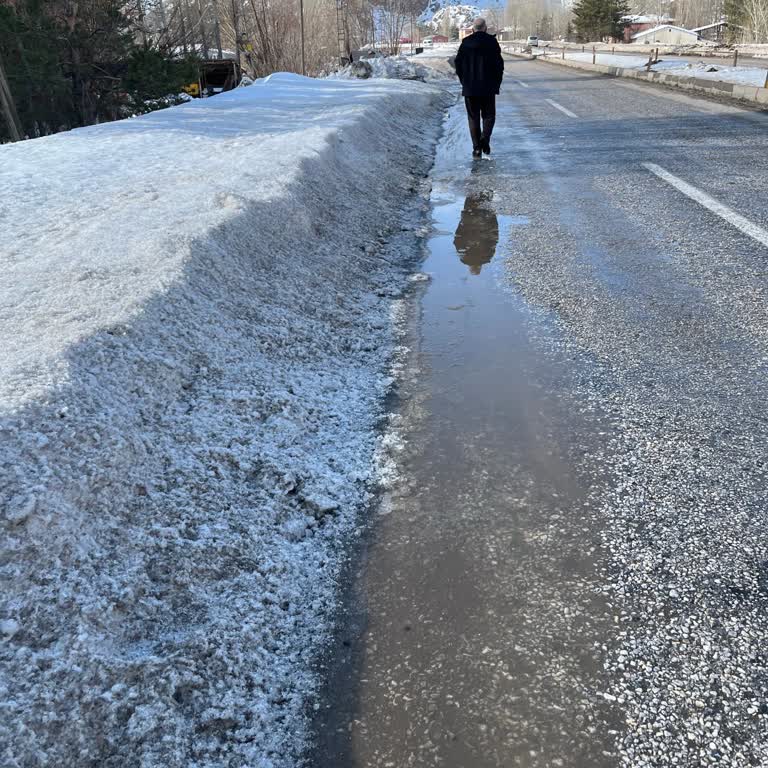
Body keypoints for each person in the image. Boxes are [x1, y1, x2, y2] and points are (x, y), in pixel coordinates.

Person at [454, 18, 505, 158]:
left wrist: (464, 80)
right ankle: (485, 139)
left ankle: (476, 148)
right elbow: (499, 65)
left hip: (470, 87)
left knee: (473, 118)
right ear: (485, 28)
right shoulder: (492, 42)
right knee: (489, 116)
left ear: (472, 29)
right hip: (488, 87)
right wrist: (497, 83)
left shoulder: (465, 43)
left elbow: (458, 63)